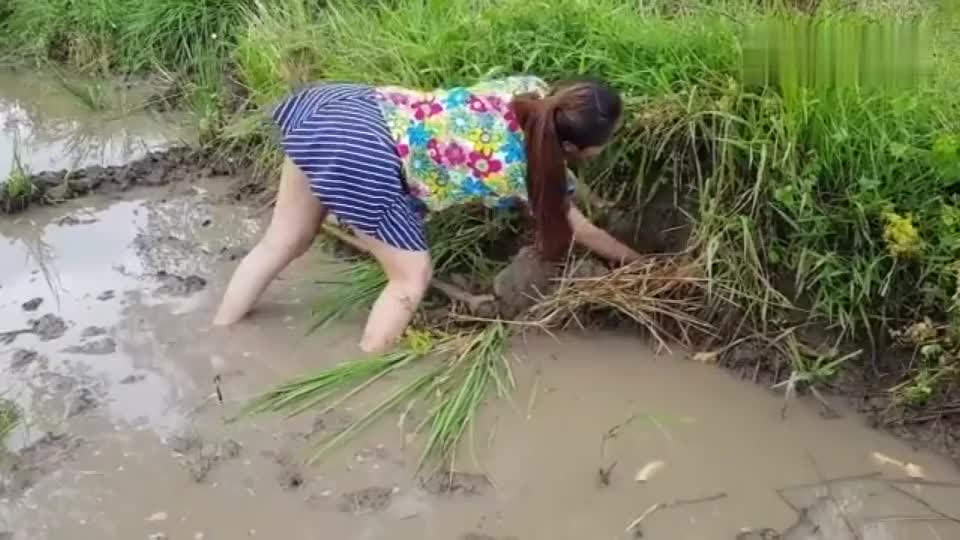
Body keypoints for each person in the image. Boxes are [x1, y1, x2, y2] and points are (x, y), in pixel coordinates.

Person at [213, 75, 641, 352]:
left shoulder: (525, 89)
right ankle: (369, 365)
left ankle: (221, 332)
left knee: (282, 240)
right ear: (573, 150)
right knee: (410, 276)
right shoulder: (528, 172)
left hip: (340, 108)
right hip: (369, 153)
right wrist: (639, 264)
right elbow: (578, 228)